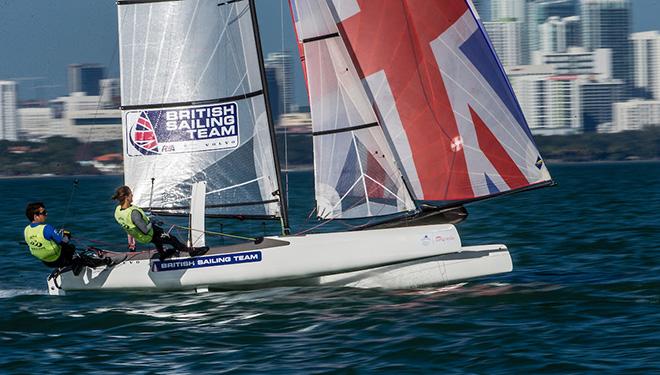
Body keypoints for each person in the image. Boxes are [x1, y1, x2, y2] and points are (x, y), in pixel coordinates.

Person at [111, 186, 208, 260]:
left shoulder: (118, 211)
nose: (132, 196)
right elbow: (145, 230)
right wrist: (152, 221)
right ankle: (193, 251)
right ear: (127, 197)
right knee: (172, 239)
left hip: (140, 237)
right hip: (148, 235)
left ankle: (163, 254)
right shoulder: (134, 213)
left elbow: (131, 224)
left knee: (159, 233)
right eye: (131, 194)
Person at [24, 202, 110, 274]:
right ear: (35, 216)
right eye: (43, 213)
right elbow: (63, 241)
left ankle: (67, 265)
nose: (46, 214)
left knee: (66, 249)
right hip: (58, 259)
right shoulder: (46, 228)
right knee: (73, 249)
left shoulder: (26, 230)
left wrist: (58, 235)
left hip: (46, 262)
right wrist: (66, 236)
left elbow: (40, 241)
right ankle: (104, 262)